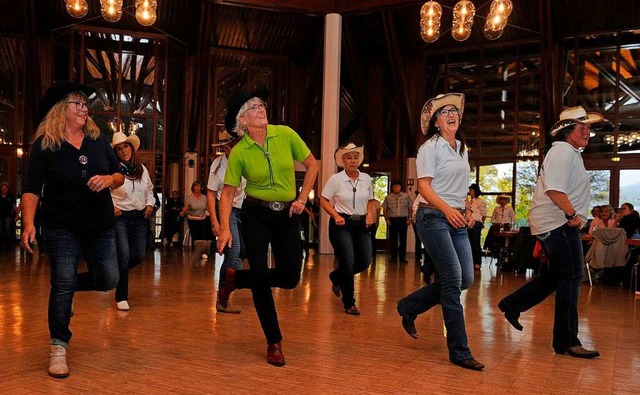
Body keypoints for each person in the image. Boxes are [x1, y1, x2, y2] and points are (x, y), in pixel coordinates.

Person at [21, 80, 124, 378]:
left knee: (108, 278)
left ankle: (64, 290)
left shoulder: (98, 140)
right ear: (60, 110)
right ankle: (58, 345)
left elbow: (119, 175)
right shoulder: (45, 145)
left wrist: (108, 179)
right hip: (60, 225)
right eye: (77, 104)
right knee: (63, 279)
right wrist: (28, 224)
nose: (84, 109)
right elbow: (31, 188)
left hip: (99, 223)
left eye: (85, 104)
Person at [216, 88, 318, 366]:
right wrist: (225, 228)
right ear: (242, 121)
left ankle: (236, 279)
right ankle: (274, 341)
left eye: (260, 104)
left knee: (289, 278)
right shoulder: (239, 152)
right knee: (261, 276)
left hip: (286, 215)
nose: (260, 109)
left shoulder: (285, 134)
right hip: (255, 214)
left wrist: (300, 198)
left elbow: (312, 165)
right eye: (252, 107)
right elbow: (227, 193)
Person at [498, 105, 603, 359]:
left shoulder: (569, 153)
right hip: (558, 223)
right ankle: (567, 340)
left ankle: (512, 305)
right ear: (567, 131)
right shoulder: (563, 153)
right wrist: (572, 216)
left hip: (557, 223)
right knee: (571, 277)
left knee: (562, 275)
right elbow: (555, 190)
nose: (587, 131)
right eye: (582, 127)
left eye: (588, 127)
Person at [396, 92, 484, 371]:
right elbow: (424, 188)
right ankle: (459, 351)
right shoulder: (429, 148)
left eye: (454, 111)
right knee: (452, 279)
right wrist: (448, 210)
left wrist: (466, 209)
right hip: (433, 215)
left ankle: (409, 306)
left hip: (455, 215)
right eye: (444, 112)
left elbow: (461, 189)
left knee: (465, 278)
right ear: (435, 122)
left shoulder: (461, 148)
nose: (451, 115)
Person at [320, 143, 376, 315]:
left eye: (355, 157)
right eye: (349, 158)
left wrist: (370, 215)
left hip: (361, 224)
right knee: (347, 261)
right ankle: (349, 303)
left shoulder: (366, 179)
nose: (353, 161)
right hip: (341, 223)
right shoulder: (336, 179)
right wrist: (335, 215)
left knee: (365, 261)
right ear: (342, 160)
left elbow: (371, 200)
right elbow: (323, 199)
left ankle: (336, 277)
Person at [199, 130, 246, 314]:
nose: (232, 148)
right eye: (229, 146)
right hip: (228, 209)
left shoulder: (247, 160)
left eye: (235, 144)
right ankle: (222, 299)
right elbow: (211, 194)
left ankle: (206, 247)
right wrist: (215, 221)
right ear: (225, 148)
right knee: (233, 252)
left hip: (247, 210)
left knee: (242, 251)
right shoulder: (218, 166)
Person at [110, 132, 155, 311]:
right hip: (121, 218)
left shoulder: (142, 169)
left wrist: (150, 204)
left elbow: (150, 190)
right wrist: (111, 207)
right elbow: (104, 191)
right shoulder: (113, 170)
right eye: (119, 149)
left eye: (125, 146)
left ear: (131, 148)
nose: (123, 151)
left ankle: (116, 271)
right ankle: (121, 296)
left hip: (139, 217)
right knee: (124, 254)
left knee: (138, 256)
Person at [382, 180, 413, 263]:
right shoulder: (388, 197)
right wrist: (387, 219)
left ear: (400, 187)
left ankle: (402, 257)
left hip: (403, 219)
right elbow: (385, 208)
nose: (396, 188)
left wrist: (409, 218)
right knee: (393, 238)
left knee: (403, 238)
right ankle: (393, 257)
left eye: (398, 186)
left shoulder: (406, 196)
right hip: (392, 219)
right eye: (394, 186)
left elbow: (410, 207)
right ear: (392, 187)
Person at [180, 180, 211, 256]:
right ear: (193, 188)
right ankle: (196, 251)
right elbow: (186, 208)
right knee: (195, 236)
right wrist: (182, 212)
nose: (198, 188)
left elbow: (207, 207)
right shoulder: (190, 197)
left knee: (202, 236)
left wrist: (213, 214)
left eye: (199, 186)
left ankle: (202, 251)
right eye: (196, 186)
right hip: (192, 219)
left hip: (202, 219)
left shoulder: (204, 197)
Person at [467, 184, 487, 270]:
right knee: (469, 243)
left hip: (477, 223)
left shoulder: (480, 201)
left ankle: (478, 262)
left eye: (471, 190)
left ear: (475, 191)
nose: (469, 192)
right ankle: (470, 261)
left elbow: (484, 214)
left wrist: (481, 223)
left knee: (476, 243)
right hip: (468, 223)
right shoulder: (468, 201)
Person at [0, 182, 17, 249]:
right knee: (0, 231)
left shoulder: (10, 196)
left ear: (8, 189)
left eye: (5, 188)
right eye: (3, 188)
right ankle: (1, 246)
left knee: (7, 230)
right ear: (1, 189)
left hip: (8, 216)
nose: (4, 189)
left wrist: (18, 214)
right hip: (0, 216)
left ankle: (8, 246)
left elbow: (14, 206)